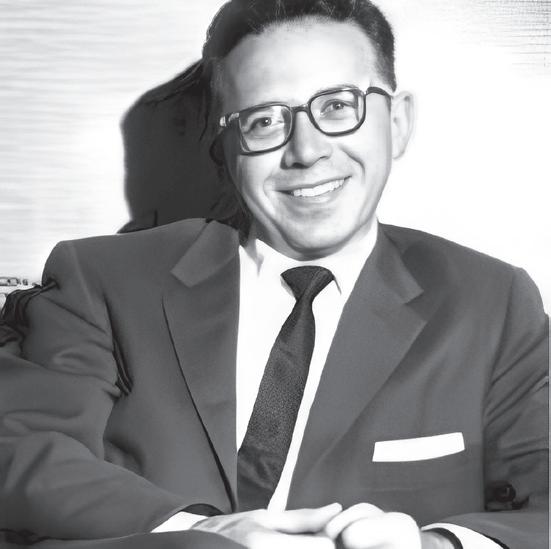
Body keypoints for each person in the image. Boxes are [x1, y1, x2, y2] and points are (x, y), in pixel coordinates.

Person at [0, 1, 547, 548]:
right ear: (226, 150)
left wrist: (436, 545)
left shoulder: (494, 304)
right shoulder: (103, 279)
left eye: (338, 106)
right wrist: (201, 535)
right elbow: (20, 451)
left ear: (398, 123)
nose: (305, 151)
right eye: (264, 120)